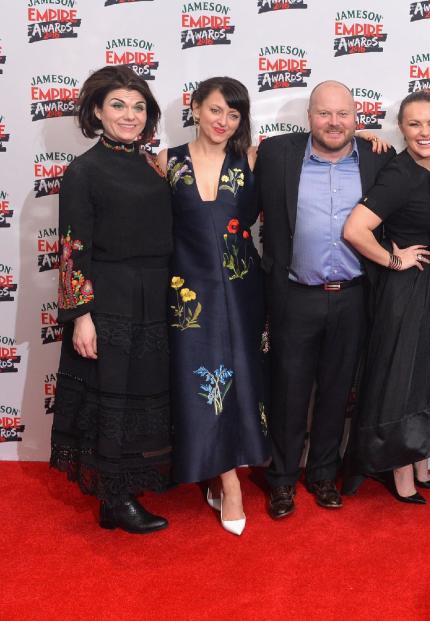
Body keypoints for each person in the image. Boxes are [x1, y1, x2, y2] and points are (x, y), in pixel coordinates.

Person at [257, 81, 394, 519]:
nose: (334, 123)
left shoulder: (377, 157)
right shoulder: (277, 154)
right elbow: (222, 162)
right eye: (324, 114)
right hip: (295, 296)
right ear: (309, 117)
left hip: (354, 297)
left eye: (343, 114)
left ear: (357, 117)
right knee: (289, 393)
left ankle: (321, 475)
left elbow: (428, 167)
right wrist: (163, 158)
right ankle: (281, 479)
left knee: (337, 393)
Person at [49, 65, 172, 534]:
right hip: (111, 300)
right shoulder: (84, 170)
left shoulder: (151, 163)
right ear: (97, 111)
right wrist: (80, 316)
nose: (130, 115)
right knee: (114, 397)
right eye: (118, 105)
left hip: (156, 296)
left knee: (143, 394)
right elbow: (72, 249)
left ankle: (123, 491)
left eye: (139, 106)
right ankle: (115, 498)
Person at [156, 77, 268, 536]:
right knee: (199, 385)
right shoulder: (166, 162)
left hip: (244, 293)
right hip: (188, 297)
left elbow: (315, 145)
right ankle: (227, 480)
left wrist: (365, 134)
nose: (224, 122)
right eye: (217, 110)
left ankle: (228, 477)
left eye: (234, 114)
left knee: (242, 381)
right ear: (196, 107)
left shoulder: (254, 158)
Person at [343, 91, 430, 504]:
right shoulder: (399, 173)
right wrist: (394, 260)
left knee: (428, 376)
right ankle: (400, 472)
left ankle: (422, 463)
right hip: (406, 290)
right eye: (414, 124)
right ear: (402, 128)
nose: (424, 132)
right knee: (403, 380)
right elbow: (355, 230)